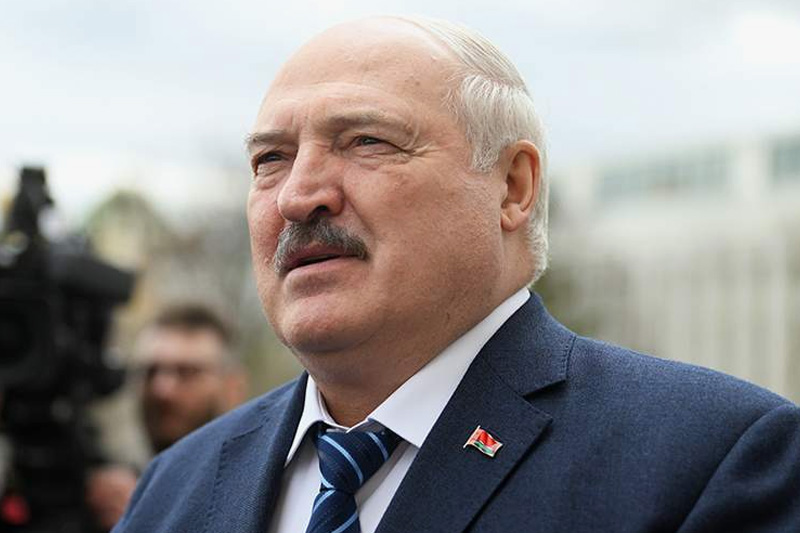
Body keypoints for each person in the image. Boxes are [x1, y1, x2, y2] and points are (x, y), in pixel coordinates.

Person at [113, 16, 800, 533]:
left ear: (512, 186)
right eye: (270, 159)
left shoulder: (713, 460)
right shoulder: (175, 488)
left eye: (366, 141)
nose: (298, 195)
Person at [88, 303, 247, 531]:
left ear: (233, 388)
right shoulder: (114, 496)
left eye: (187, 372)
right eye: (151, 371)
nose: (163, 390)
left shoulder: (258, 497)